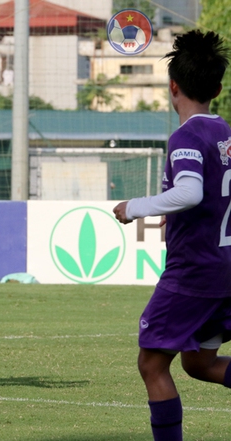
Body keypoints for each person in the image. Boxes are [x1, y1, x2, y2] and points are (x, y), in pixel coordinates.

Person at [112, 30, 231, 441]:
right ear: (217, 88)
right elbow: (209, 196)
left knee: (152, 365)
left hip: (195, 274)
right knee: (198, 363)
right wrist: (178, 216)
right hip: (225, 269)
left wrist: (135, 207)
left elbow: (190, 191)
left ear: (172, 86)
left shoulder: (187, 136)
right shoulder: (227, 133)